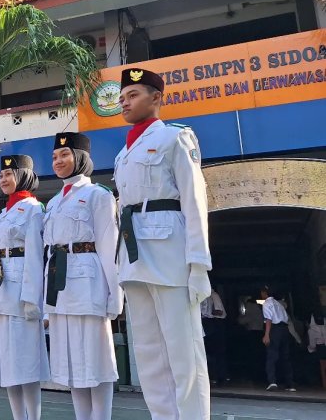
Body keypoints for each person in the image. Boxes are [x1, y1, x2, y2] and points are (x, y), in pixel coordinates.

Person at [114, 68, 211, 420]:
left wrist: (199, 264)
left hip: (170, 254)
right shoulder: (122, 154)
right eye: (122, 97)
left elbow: (194, 199)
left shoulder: (176, 137)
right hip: (134, 255)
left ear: (157, 98)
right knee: (150, 354)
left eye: (133, 94)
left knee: (184, 353)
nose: (124, 102)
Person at [43, 133, 121, 420]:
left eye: (65, 154)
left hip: (88, 284)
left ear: (81, 158)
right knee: (72, 364)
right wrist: (45, 302)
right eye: (54, 157)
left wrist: (115, 295)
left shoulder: (98, 195)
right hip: (59, 288)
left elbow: (108, 246)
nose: (58, 161)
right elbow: (49, 254)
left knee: (96, 362)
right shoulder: (52, 203)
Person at [0, 154, 49, 420]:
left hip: (20, 295)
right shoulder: (3, 213)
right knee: (8, 367)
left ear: (24, 176)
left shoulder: (33, 208)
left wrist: (33, 298)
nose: (4, 179)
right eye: (1, 175)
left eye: (10, 174)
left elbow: (35, 256)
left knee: (26, 365)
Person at [261, 286, 295, 392]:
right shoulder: (278, 304)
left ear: (264, 293)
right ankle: (290, 384)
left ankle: (272, 382)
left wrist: (266, 335)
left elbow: (268, 319)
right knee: (285, 357)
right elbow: (286, 318)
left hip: (274, 330)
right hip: (284, 329)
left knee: (272, 356)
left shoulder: (267, 303)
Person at [201, 288, 229, 385]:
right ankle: (214, 376)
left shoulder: (213, 295)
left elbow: (219, 311)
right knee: (209, 352)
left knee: (215, 352)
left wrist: (206, 313)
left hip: (214, 323)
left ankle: (219, 376)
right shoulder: (202, 294)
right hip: (208, 322)